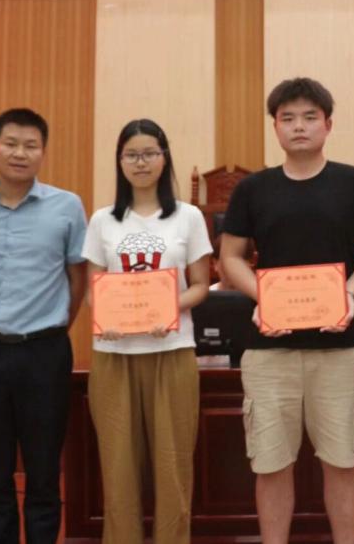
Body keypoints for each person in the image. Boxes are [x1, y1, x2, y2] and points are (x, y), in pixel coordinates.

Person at [219, 77, 354, 544]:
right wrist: (264, 297)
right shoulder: (253, 189)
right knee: (271, 465)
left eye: (310, 117)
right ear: (274, 126)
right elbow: (230, 258)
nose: (299, 126)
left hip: (338, 348)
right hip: (269, 351)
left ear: (328, 125)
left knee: (343, 461)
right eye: (288, 118)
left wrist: (348, 294)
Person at [0, 108, 87, 544]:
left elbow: (78, 279)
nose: (20, 153)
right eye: (10, 144)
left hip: (45, 353)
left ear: (43, 152)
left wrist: (54, 327)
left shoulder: (67, 206)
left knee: (44, 472)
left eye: (30, 145)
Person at [82, 119, 213, 544]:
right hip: (114, 355)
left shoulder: (188, 217)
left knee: (173, 468)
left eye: (149, 153)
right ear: (120, 161)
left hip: (172, 350)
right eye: (131, 155)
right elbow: (93, 290)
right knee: (118, 469)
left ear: (164, 157)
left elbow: (201, 285)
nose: (141, 163)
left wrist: (169, 306)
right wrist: (107, 317)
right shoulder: (102, 220)